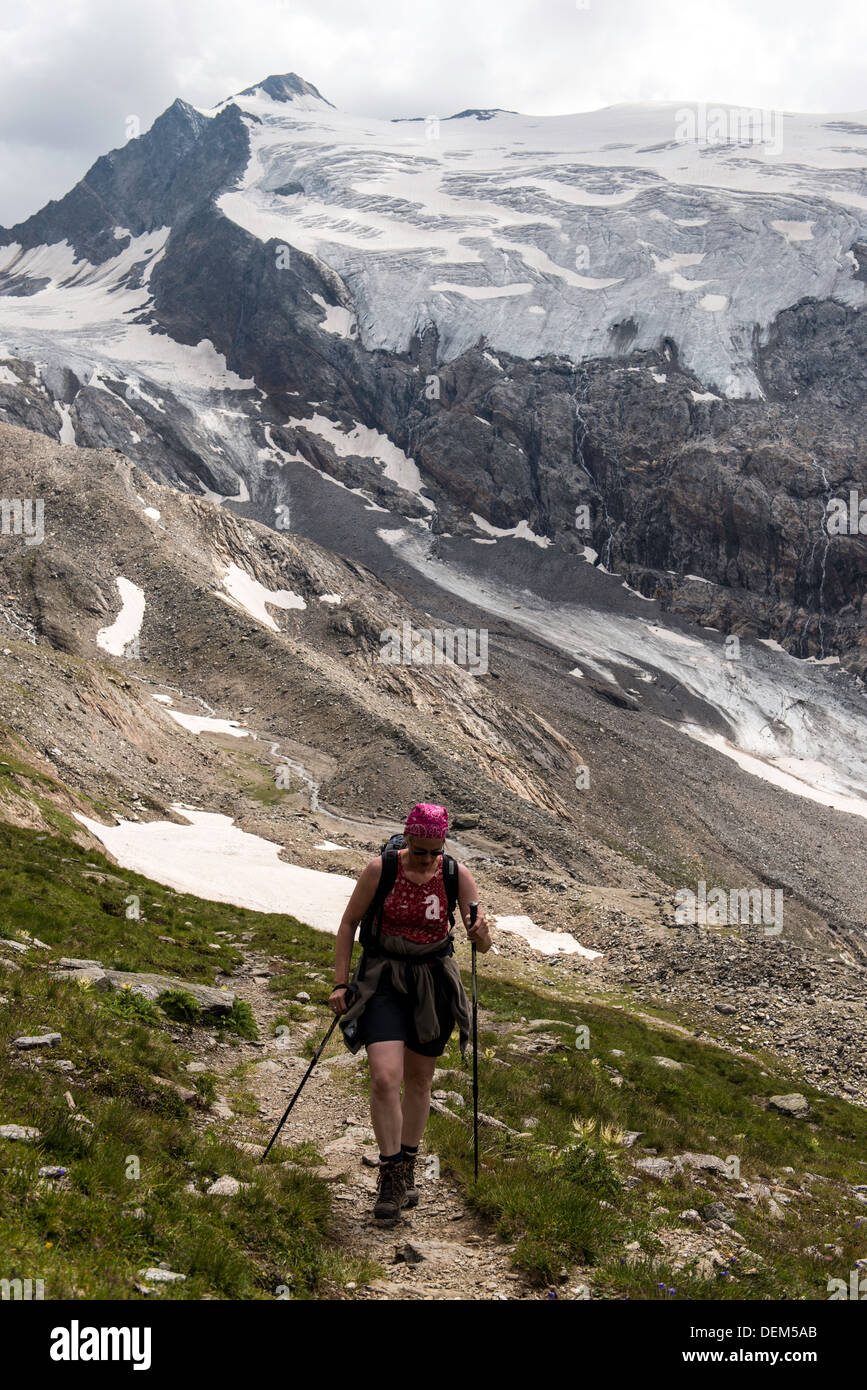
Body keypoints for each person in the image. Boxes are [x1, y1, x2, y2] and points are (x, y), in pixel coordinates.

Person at [329, 803, 492, 1219]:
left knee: (419, 1081)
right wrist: (340, 983)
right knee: (385, 1076)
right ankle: (390, 1174)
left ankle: (407, 1169)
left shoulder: (456, 875)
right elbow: (348, 925)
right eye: (419, 851)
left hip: (433, 982)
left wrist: (482, 934)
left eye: (434, 852)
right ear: (407, 839)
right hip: (382, 979)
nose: (426, 860)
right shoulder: (379, 870)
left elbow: (481, 943)